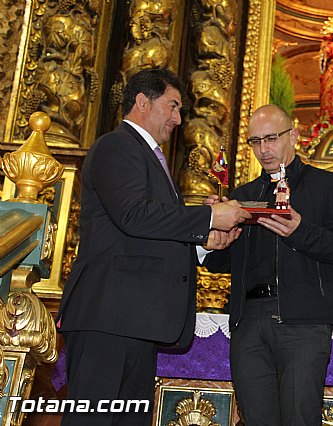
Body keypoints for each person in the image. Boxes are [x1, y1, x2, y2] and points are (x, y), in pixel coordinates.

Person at [56, 68, 251, 426]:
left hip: (135, 320)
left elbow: (151, 234)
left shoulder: (152, 160)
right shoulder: (116, 146)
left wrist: (205, 243)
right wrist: (208, 219)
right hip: (108, 317)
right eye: (172, 106)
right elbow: (134, 215)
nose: (178, 119)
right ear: (142, 102)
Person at [204, 104, 333, 426]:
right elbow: (219, 263)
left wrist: (300, 231)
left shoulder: (326, 185)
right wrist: (213, 229)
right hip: (248, 320)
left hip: (302, 322)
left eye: (271, 139)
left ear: (294, 136)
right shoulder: (243, 195)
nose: (264, 150)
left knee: (299, 417)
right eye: (255, 142)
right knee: (256, 418)